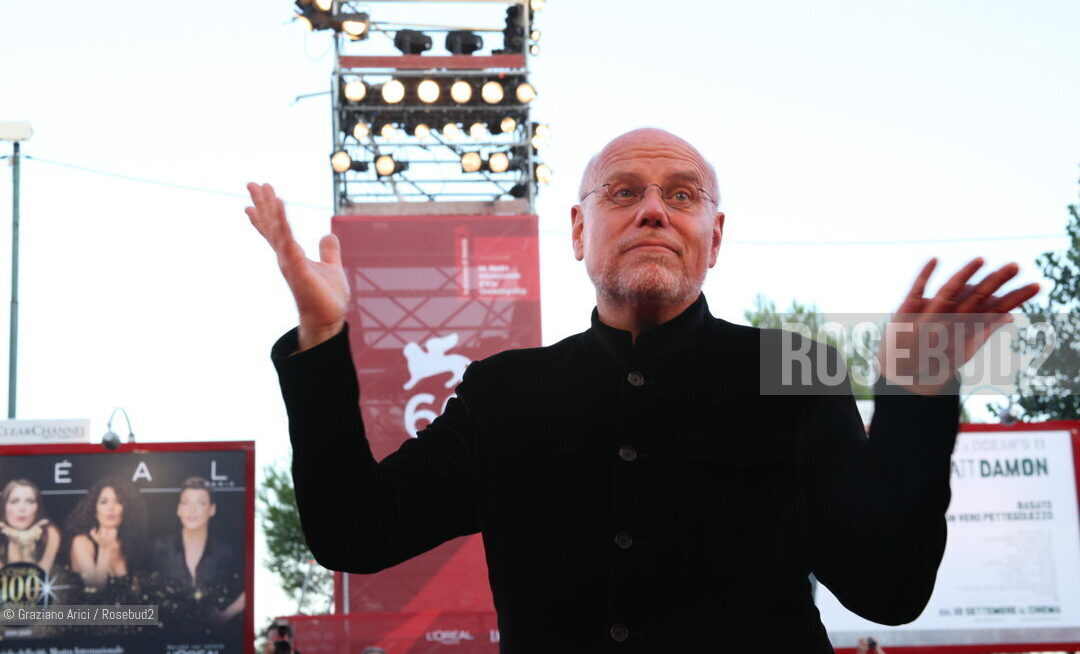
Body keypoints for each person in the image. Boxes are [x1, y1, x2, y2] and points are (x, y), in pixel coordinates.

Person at [246, 128, 1039, 652]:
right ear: (578, 231)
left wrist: (918, 391)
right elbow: (354, 533)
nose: (654, 209)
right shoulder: (504, 393)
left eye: (682, 195)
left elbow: (889, 589)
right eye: (623, 192)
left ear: (714, 237)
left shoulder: (795, 371)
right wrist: (321, 342)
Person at [152, 477, 245, 630]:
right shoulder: (159, 548)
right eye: (186, 502)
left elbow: (249, 587)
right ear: (179, 509)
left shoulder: (226, 553)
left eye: (200, 503)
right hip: (162, 639)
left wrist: (226, 615)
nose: (192, 510)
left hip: (215, 641)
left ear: (212, 509)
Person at [67, 476, 148, 592]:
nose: (111, 508)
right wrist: (104, 549)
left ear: (126, 509)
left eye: (118, 502)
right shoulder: (81, 542)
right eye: (104, 502)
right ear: (94, 509)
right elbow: (95, 588)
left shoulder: (130, 545)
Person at [0, 479, 61, 573]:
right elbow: (4, 580)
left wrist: (25, 540)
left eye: (30, 502)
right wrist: (16, 539)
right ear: (4, 506)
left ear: (38, 507)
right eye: (14, 501)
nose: (22, 508)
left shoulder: (49, 532)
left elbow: (39, 578)